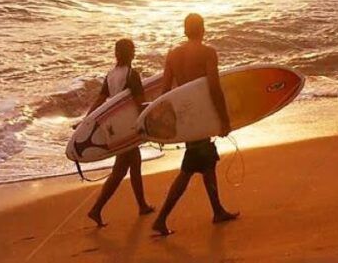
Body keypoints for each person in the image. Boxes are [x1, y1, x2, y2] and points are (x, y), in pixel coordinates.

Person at [151, 14, 239, 236]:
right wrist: (223, 118)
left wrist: (163, 126)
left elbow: (164, 93)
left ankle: (217, 210)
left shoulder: (172, 55)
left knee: (206, 161)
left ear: (185, 30)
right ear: (202, 29)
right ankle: (161, 219)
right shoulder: (207, 53)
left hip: (185, 116)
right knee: (189, 168)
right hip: (201, 114)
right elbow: (214, 87)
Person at [85, 38, 155, 227]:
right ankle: (96, 209)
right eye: (132, 50)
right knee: (120, 171)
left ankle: (142, 205)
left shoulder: (111, 75)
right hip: (129, 127)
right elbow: (140, 104)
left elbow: (100, 100)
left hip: (114, 127)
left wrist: (86, 119)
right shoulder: (132, 75)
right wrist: (148, 124)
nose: (134, 53)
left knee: (132, 164)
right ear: (130, 53)